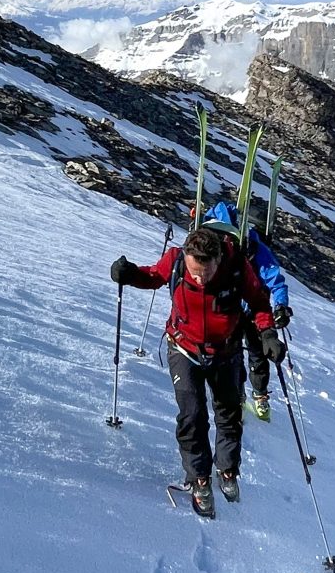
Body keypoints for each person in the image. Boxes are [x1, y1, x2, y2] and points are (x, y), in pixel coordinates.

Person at [110, 226, 282, 517]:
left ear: (218, 260)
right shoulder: (177, 259)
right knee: (192, 414)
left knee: (229, 413)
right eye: (194, 273)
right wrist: (129, 274)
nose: (200, 279)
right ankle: (199, 478)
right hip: (183, 348)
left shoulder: (237, 266)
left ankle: (227, 470)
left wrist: (267, 334)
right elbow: (153, 276)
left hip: (225, 353)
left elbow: (259, 301)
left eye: (206, 272)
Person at [202, 201, 293, 421]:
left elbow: (274, 278)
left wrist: (280, 305)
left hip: (252, 307)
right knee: (234, 353)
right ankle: (239, 393)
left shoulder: (253, 246)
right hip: (229, 308)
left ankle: (260, 395)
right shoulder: (212, 245)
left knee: (257, 352)